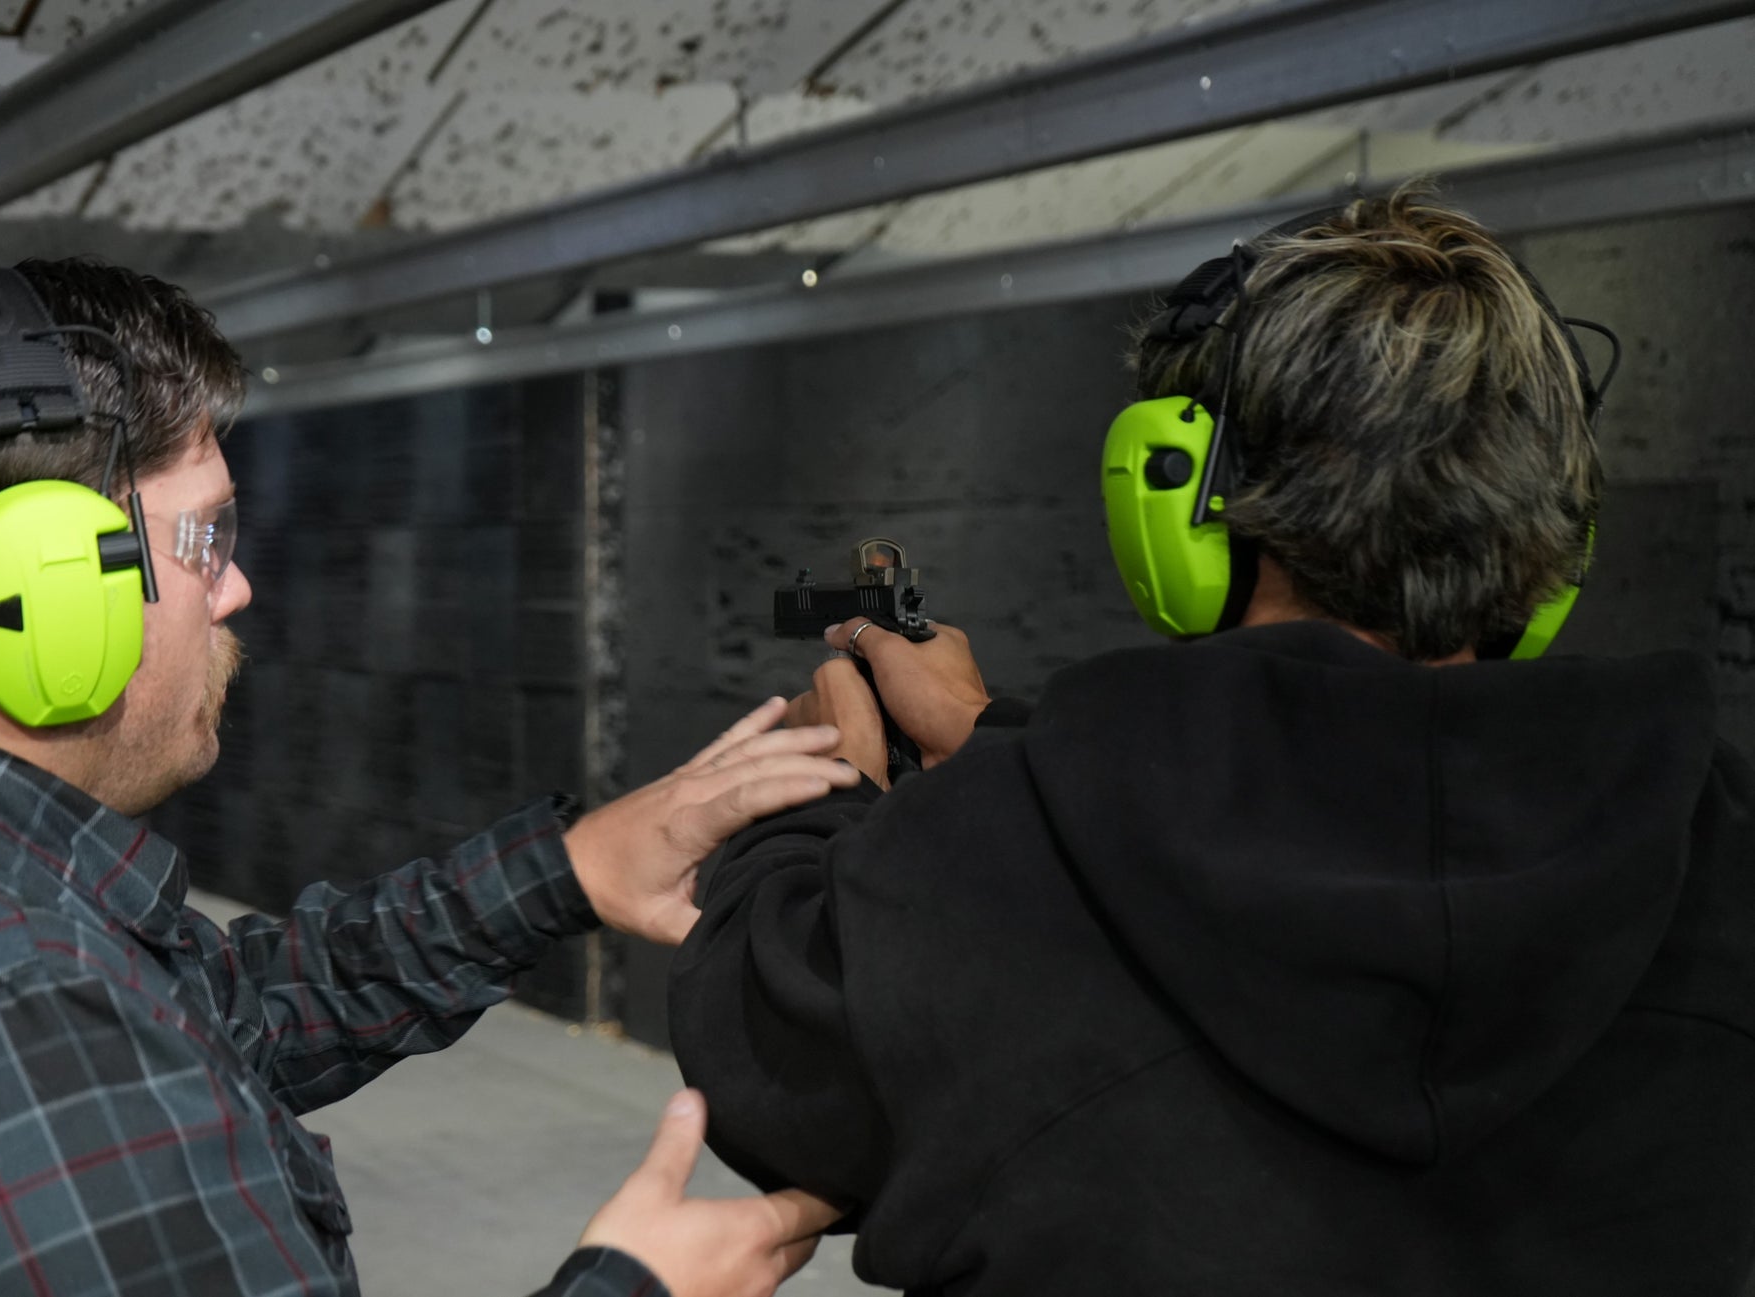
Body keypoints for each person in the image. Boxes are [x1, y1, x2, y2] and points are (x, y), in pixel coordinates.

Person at [667, 183, 1755, 1295]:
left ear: (1175, 497)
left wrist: (821, 797)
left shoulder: (998, 863)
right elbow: (1349, 809)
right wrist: (997, 740)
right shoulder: (1712, 841)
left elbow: (770, 1065)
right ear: (1555, 535)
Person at [0, 259, 857, 1296]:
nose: (234, 586)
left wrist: (564, 871)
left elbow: (229, 1011)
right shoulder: (12, 1020)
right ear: (43, 587)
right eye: (205, 536)